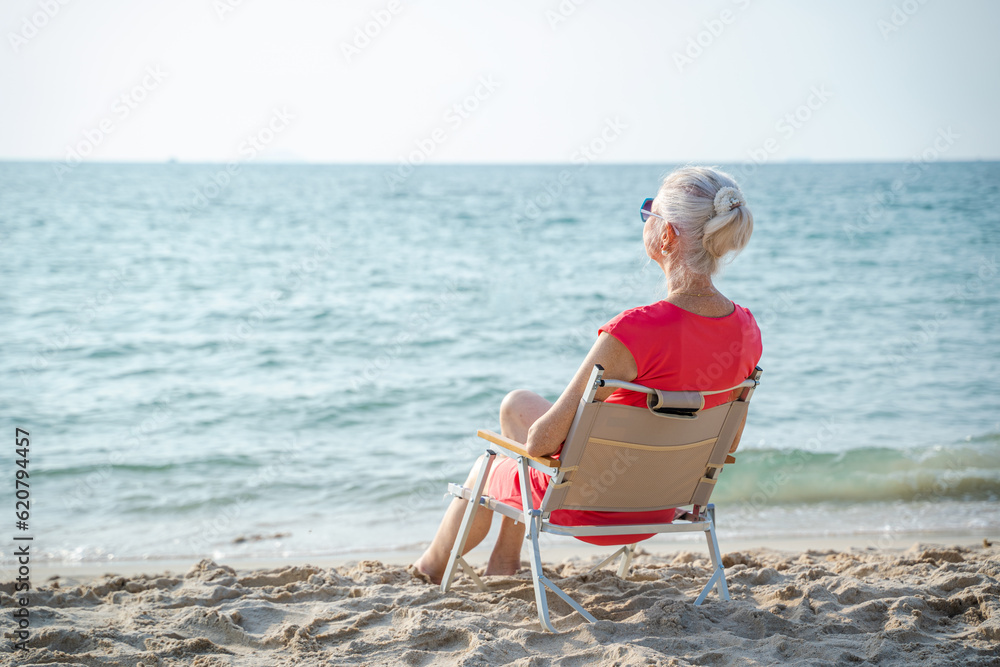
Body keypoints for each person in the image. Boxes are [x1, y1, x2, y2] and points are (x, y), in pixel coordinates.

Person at [412, 166, 763, 584]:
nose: (645, 220)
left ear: (666, 235)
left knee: (490, 467)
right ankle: (503, 564)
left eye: (648, 213)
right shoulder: (745, 328)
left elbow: (542, 442)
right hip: (663, 505)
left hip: (590, 507)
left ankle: (429, 568)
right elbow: (728, 442)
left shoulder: (633, 330)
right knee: (517, 406)